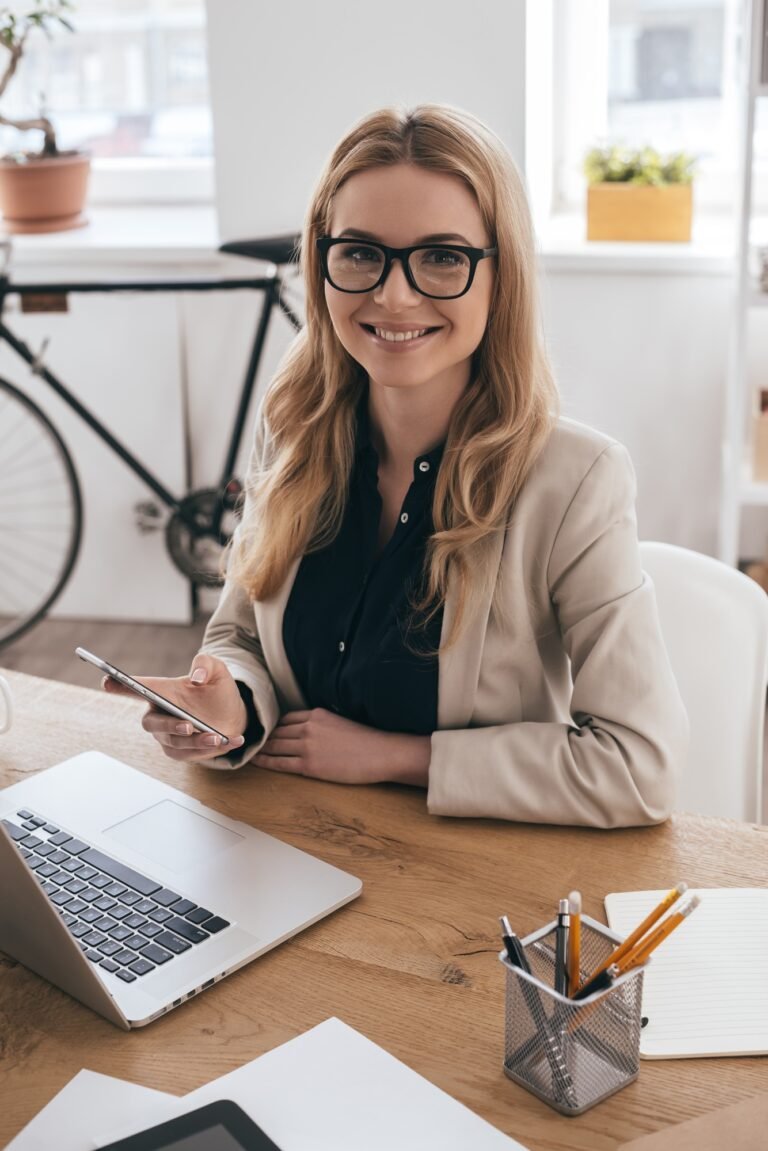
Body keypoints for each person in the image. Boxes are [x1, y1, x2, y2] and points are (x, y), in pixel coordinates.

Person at [104, 104, 688, 827]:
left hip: (465, 883)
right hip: (286, 843)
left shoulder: (575, 480)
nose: (393, 294)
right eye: (360, 252)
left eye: (443, 256)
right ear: (322, 263)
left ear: (500, 276)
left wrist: (397, 756)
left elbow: (640, 766)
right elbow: (242, 634)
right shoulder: (293, 430)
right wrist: (231, 702)